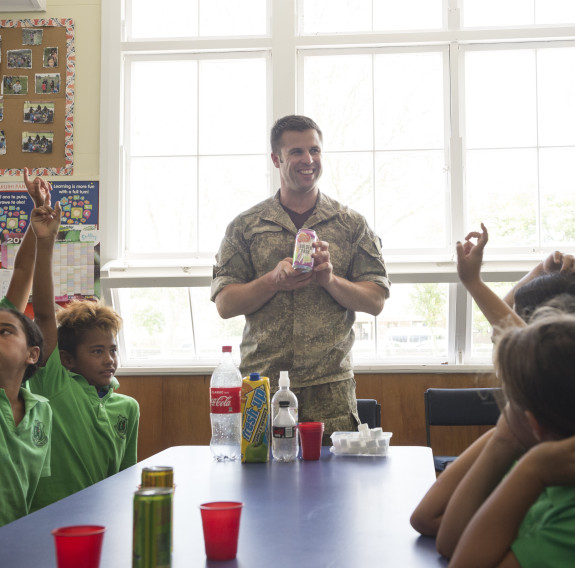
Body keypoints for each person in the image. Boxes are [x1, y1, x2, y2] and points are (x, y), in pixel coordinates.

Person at [211, 115, 390, 441]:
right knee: (259, 482)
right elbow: (224, 303)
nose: (308, 160)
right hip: (261, 384)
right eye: (296, 152)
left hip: (330, 387)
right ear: (276, 159)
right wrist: (272, 281)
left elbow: (376, 300)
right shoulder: (246, 226)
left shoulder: (351, 225)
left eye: (315, 150)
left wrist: (331, 281)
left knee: (333, 486)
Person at [413, 312, 575, 567]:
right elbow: (435, 529)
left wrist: (531, 472)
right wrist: (502, 438)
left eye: (510, 400)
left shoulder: (564, 515)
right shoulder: (528, 449)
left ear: (535, 425)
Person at [26, 187, 140, 511]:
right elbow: (46, 314)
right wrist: (45, 242)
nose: (109, 360)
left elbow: (126, 478)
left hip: (102, 521)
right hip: (45, 524)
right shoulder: (56, 386)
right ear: (67, 360)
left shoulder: (128, 409)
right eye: (96, 351)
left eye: (113, 350)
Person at [0, 306, 50, 527]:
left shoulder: (42, 410)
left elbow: (36, 489)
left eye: (5, 331)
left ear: (32, 354)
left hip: (16, 540)